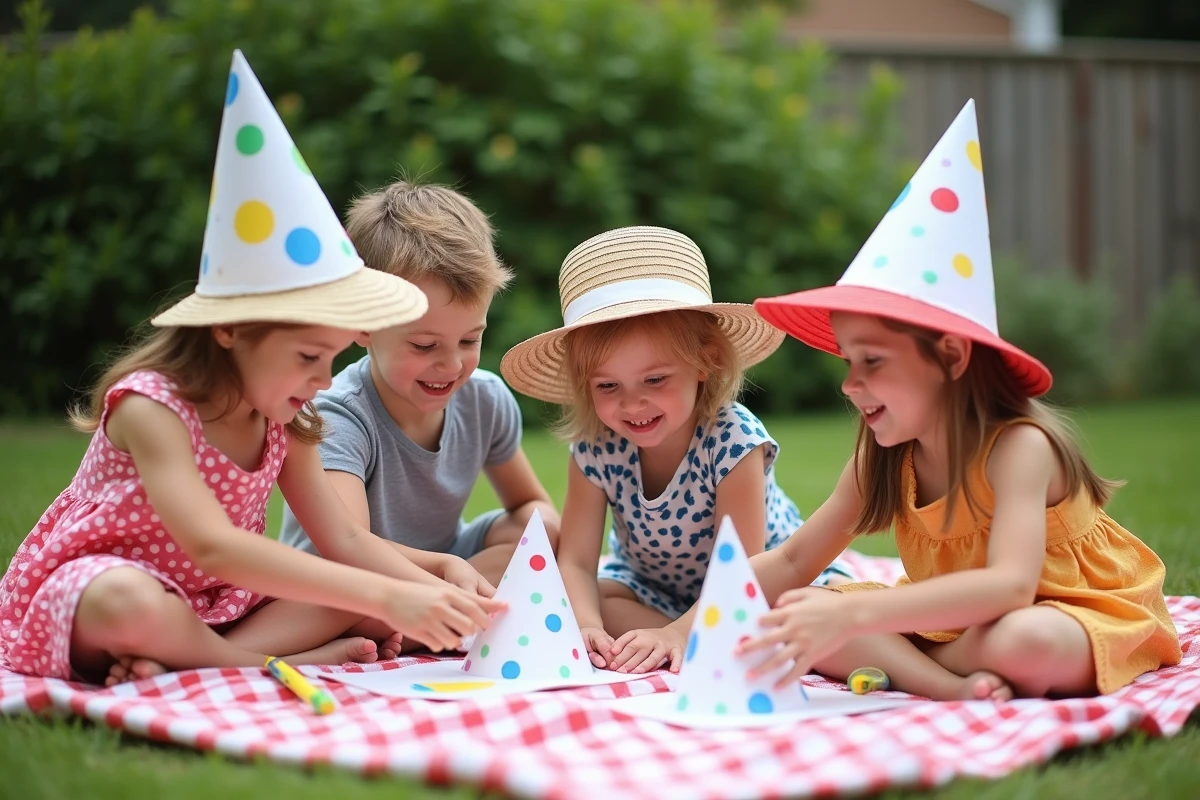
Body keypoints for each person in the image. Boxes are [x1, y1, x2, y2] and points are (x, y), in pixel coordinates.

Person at [0, 51, 502, 686]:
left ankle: (194, 659)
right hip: (107, 594)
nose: (324, 381)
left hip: (218, 607)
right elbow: (212, 546)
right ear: (231, 330)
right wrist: (387, 598)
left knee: (360, 590)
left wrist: (433, 572)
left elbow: (344, 541)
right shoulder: (152, 407)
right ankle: (252, 663)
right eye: (307, 358)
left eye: (331, 358)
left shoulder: (285, 417)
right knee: (127, 602)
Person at [719, 100, 1180, 699]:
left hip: (1066, 612)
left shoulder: (1020, 446)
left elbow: (1011, 588)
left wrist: (858, 618)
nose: (848, 384)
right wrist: (687, 627)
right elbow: (788, 563)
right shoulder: (884, 456)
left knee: (1026, 643)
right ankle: (947, 682)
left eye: (873, 361)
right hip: (949, 624)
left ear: (952, 357)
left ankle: (928, 661)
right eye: (847, 361)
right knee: (795, 607)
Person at [500, 226, 853, 673]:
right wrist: (587, 624)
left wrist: (677, 632)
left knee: (800, 609)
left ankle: (694, 635)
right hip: (656, 590)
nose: (632, 403)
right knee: (601, 600)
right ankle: (696, 637)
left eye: (655, 379)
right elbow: (576, 559)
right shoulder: (595, 450)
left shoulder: (734, 441)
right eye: (608, 386)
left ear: (707, 362)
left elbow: (740, 570)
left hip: (758, 583)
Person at [279, 181, 559, 589]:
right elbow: (349, 548)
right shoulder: (339, 414)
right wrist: (446, 573)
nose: (451, 364)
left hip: (445, 564)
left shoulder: (483, 397)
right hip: (346, 583)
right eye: (425, 345)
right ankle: (453, 609)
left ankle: (454, 608)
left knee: (542, 529)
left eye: (469, 340)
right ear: (364, 325)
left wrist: (536, 531)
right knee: (363, 595)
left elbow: (531, 507)